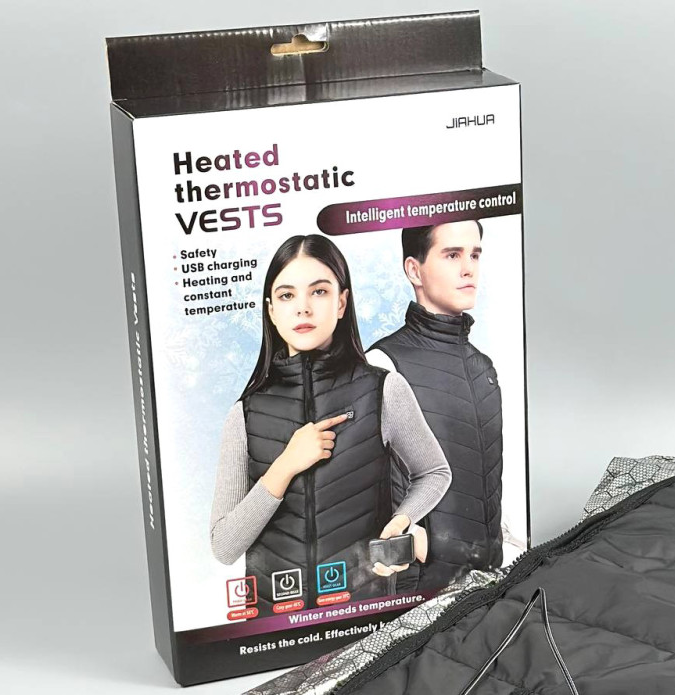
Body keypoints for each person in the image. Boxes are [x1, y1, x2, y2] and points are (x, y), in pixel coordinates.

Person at [210, 233, 451, 611]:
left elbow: (434, 472)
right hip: (275, 624)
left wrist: (402, 520)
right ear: (271, 310)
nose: (303, 308)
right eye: (287, 296)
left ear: (341, 302)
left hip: (365, 614)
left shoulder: (383, 390)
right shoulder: (244, 414)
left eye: (319, 292)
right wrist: (286, 465)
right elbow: (224, 547)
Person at [367, 219, 524, 594]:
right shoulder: (382, 365)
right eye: (452, 255)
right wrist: (419, 548)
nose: (469, 268)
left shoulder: (484, 368)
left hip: (485, 586)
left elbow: (486, 483)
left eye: (475, 255)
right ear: (414, 270)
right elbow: (356, 501)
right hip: (418, 595)